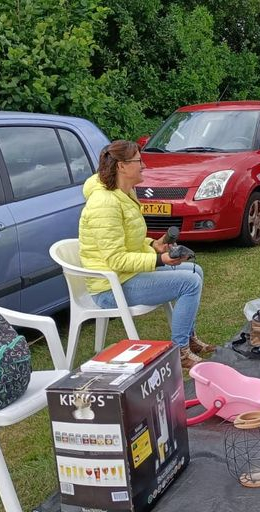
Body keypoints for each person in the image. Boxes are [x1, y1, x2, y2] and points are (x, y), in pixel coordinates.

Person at [78, 140, 216, 371]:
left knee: (196, 270)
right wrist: (158, 259)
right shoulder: (105, 203)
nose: (143, 165)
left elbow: (128, 240)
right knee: (189, 282)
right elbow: (116, 259)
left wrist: (154, 244)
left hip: (126, 275)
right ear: (121, 166)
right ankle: (180, 351)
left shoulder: (124, 193)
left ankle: (188, 338)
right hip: (110, 287)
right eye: (138, 161)